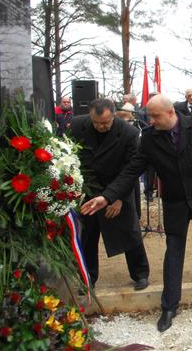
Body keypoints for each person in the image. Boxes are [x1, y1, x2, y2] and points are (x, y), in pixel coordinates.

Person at [80, 94, 192, 332]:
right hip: (175, 203)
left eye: (155, 116)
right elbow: (131, 171)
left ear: (170, 113)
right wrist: (107, 196)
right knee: (173, 252)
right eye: (149, 115)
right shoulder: (149, 138)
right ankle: (169, 306)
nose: (151, 120)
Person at [70, 99, 150, 292]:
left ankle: (140, 273)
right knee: (87, 236)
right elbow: (71, 155)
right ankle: (87, 277)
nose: (101, 126)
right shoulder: (77, 125)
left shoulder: (129, 133)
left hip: (119, 187)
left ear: (114, 115)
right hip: (89, 190)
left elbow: (131, 170)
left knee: (130, 233)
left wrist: (117, 198)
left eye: (105, 122)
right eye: (96, 122)